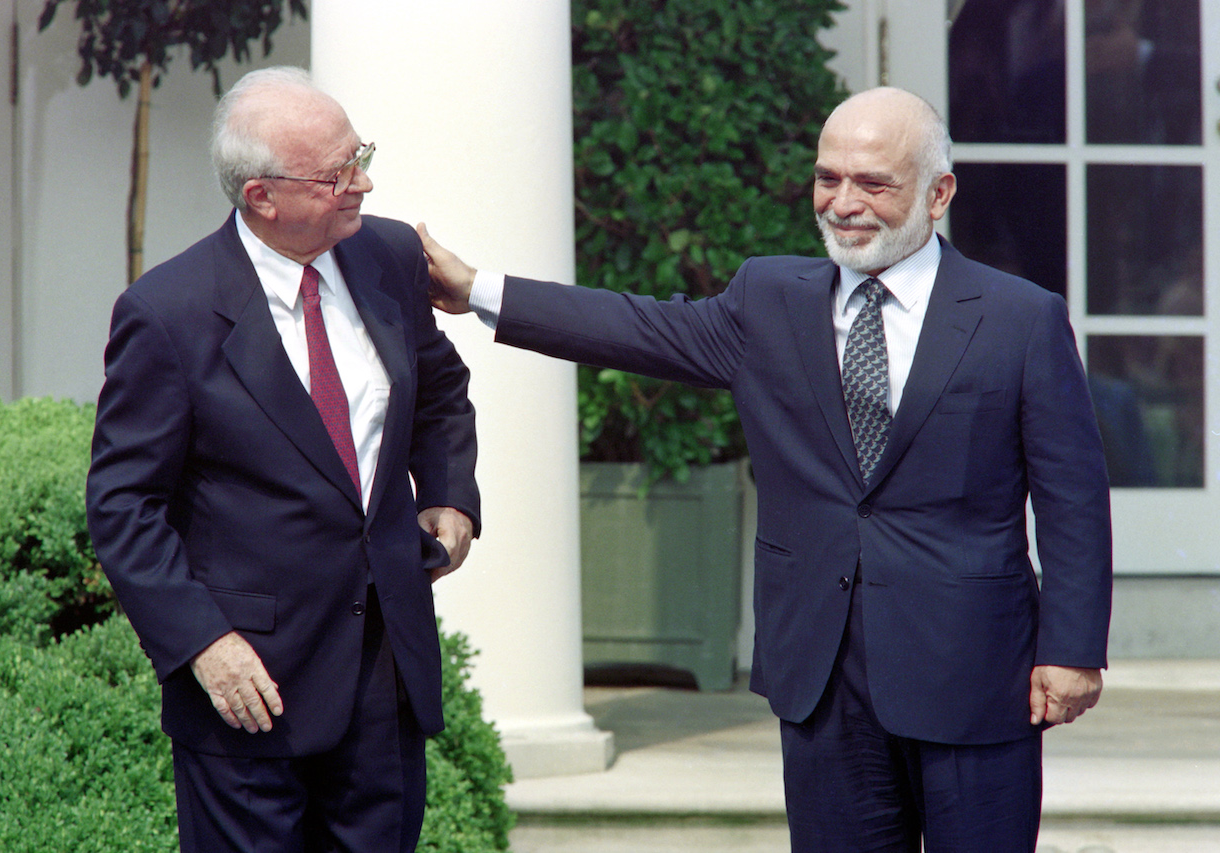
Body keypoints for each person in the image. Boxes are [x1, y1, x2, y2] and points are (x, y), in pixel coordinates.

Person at [421, 86, 1112, 851]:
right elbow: (634, 325)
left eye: (872, 183)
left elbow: (1073, 496)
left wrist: (1072, 648)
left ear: (938, 193)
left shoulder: (1019, 318)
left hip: (973, 671)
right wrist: (476, 288)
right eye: (827, 178)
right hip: (819, 673)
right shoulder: (768, 298)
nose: (842, 203)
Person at [86, 66, 479, 853]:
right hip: (249, 688)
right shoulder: (168, 313)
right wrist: (203, 642)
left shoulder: (388, 256)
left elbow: (439, 387)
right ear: (261, 196)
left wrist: (450, 492)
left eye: (359, 155)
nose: (363, 182)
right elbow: (124, 505)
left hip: (384, 676)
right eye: (338, 174)